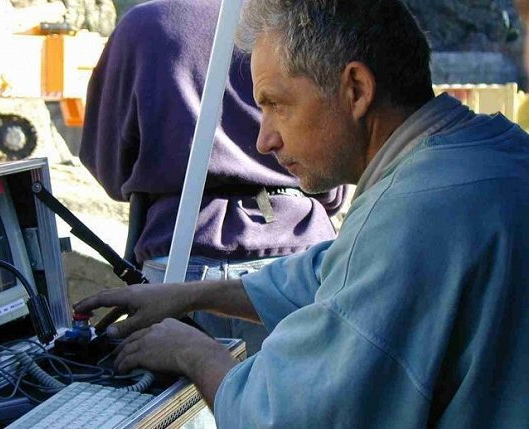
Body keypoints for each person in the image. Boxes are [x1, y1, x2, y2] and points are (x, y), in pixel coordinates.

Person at [75, 0, 529, 426]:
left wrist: (194, 352)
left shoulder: (417, 213)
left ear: (356, 89)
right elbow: (331, 270)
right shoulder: (488, 152)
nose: (264, 140)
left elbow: (286, 416)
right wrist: (190, 295)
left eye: (276, 105)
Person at [79, 0, 345, 355]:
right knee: (304, 408)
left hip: (178, 259)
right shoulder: (298, 18)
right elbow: (333, 165)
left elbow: (108, 163)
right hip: (299, 256)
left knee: (174, 409)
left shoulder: (144, 25)